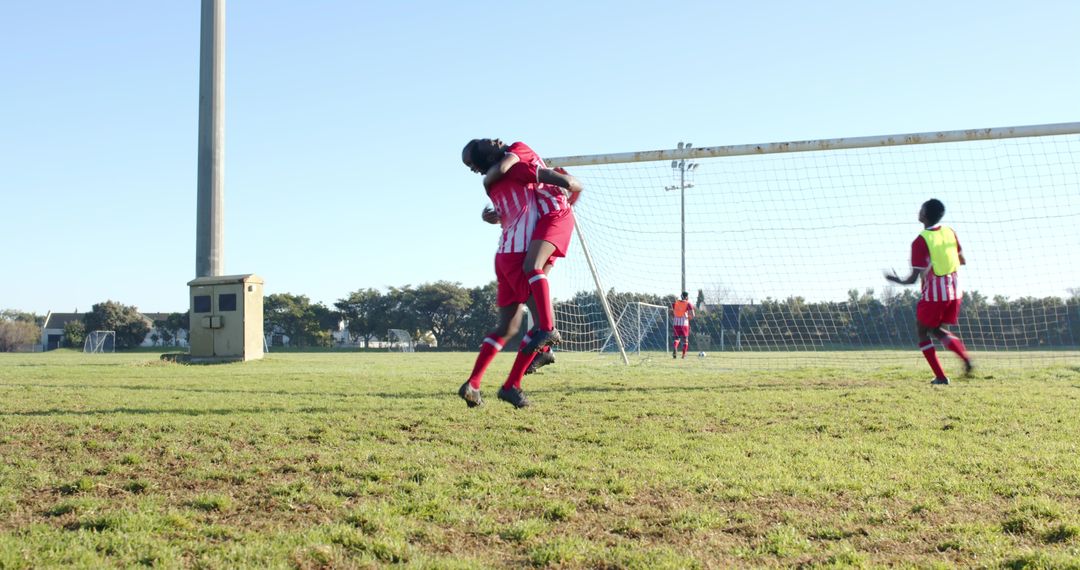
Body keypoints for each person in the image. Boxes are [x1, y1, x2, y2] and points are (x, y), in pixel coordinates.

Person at [459, 138, 583, 408]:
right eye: (487, 142)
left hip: (502, 255)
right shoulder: (516, 168)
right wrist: (571, 183)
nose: (494, 139)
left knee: (507, 326)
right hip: (518, 254)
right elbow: (543, 175)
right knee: (542, 327)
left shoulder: (490, 186)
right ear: (492, 157)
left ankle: (474, 384)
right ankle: (514, 383)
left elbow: (509, 210)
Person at [885, 198, 973, 385]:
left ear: (924, 214)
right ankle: (965, 358)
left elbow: (912, 279)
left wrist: (895, 280)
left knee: (922, 331)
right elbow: (962, 260)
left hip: (934, 294)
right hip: (955, 291)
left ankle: (941, 377)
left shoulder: (920, 241)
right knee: (935, 329)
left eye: (921, 208)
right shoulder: (950, 233)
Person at [671, 291, 696, 359]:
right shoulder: (688, 304)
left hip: (676, 323)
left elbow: (671, 312)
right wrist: (688, 318)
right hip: (684, 323)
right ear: (687, 297)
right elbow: (693, 315)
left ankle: (675, 347)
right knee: (685, 340)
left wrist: (675, 317)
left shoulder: (675, 303)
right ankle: (683, 355)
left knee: (677, 339)